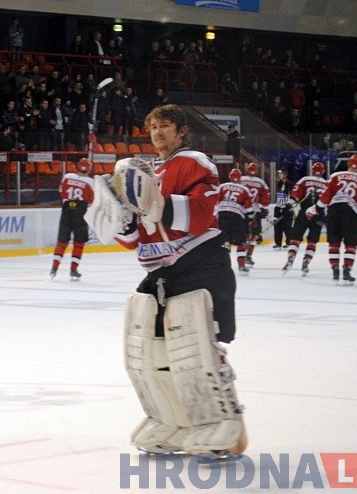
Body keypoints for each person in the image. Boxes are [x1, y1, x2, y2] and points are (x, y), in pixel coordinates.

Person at [83, 104, 246, 456]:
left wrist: (156, 203)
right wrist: (119, 219)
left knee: (197, 348)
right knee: (148, 352)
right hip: (158, 274)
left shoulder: (194, 162)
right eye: (153, 127)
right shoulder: (143, 172)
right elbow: (135, 239)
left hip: (200, 264)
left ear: (181, 131)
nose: (158, 132)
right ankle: (170, 420)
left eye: (166, 126)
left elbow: (200, 215)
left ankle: (222, 422)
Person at [309, 154, 357, 284]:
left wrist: (317, 208)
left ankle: (335, 268)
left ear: (348, 164)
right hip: (350, 211)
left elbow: (325, 196)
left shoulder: (335, 176)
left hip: (333, 210)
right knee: (351, 244)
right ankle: (347, 269)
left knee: (334, 243)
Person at [50, 158, 94, 281]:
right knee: (79, 242)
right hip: (80, 212)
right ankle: (73, 270)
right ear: (89, 169)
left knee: (62, 241)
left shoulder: (67, 176)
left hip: (66, 210)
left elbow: (61, 192)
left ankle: (54, 268)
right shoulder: (91, 182)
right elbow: (92, 199)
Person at [281, 161, 328, 274]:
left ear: (312, 170)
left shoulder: (305, 180)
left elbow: (295, 195)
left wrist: (289, 205)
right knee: (312, 241)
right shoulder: (327, 183)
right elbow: (329, 201)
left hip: (304, 213)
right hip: (319, 216)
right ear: (323, 171)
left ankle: (291, 256)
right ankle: (306, 261)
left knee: (295, 238)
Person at [217, 168, 254, 275]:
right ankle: (241, 266)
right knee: (241, 242)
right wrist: (251, 218)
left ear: (230, 176)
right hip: (237, 217)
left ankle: (223, 265)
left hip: (222, 215)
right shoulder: (244, 189)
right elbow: (249, 208)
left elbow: (215, 200)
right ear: (240, 177)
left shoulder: (222, 186)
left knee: (225, 242)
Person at [240, 162, 270, 267]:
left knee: (244, 233)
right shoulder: (260, 182)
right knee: (254, 235)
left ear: (247, 170)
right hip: (255, 212)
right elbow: (265, 198)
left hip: (241, 211)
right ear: (257, 171)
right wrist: (264, 209)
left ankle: (240, 254)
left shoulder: (241, 180)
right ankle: (248, 256)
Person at [273, 169, 294, 249]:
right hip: (278, 207)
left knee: (287, 226)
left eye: (281, 174)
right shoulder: (279, 183)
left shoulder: (290, 184)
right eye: (278, 174)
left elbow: (293, 195)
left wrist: (289, 204)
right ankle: (278, 243)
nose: (279, 175)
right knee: (277, 226)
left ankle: (289, 242)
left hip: (287, 207)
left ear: (285, 174)